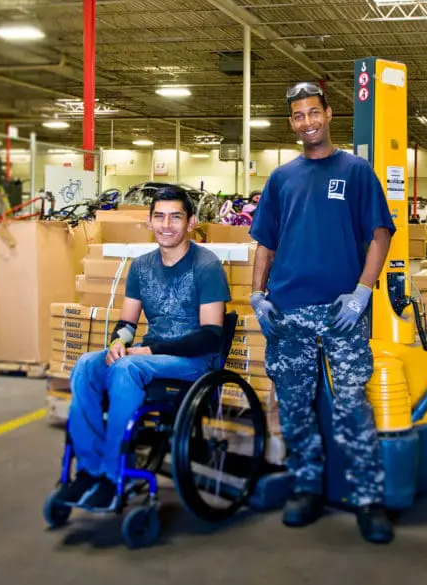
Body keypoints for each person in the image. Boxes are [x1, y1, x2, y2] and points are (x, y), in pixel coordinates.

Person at [249, 81, 396, 544]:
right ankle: (306, 487)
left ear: (329, 114)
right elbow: (265, 242)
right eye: (298, 116)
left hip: (341, 311)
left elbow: (380, 234)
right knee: (294, 406)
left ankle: (369, 498)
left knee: (352, 405)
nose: (307, 122)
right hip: (288, 310)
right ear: (291, 123)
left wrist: (362, 292)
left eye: (314, 112)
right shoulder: (281, 178)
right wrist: (258, 294)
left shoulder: (355, 171)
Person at [60, 186, 231, 509]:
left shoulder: (206, 266)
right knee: (86, 364)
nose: (167, 225)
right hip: (149, 357)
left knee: (127, 367)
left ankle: (113, 476)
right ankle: (89, 471)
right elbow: (127, 324)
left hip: (193, 362)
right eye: (160, 217)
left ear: (191, 222)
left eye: (176, 217)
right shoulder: (140, 267)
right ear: (150, 222)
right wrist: (117, 343)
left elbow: (211, 335)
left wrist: (147, 352)